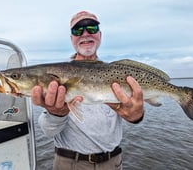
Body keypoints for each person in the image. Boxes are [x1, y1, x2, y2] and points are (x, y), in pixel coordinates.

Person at [31, 11, 144, 170]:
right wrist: (56, 113)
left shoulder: (118, 73)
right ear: (72, 39)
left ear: (100, 35)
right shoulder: (57, 75)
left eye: (91, 28)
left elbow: (134, 113)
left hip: (113, 163)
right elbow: (48, 131)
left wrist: (137, 116)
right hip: (70, 164)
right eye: (77, 31)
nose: (85, 34)